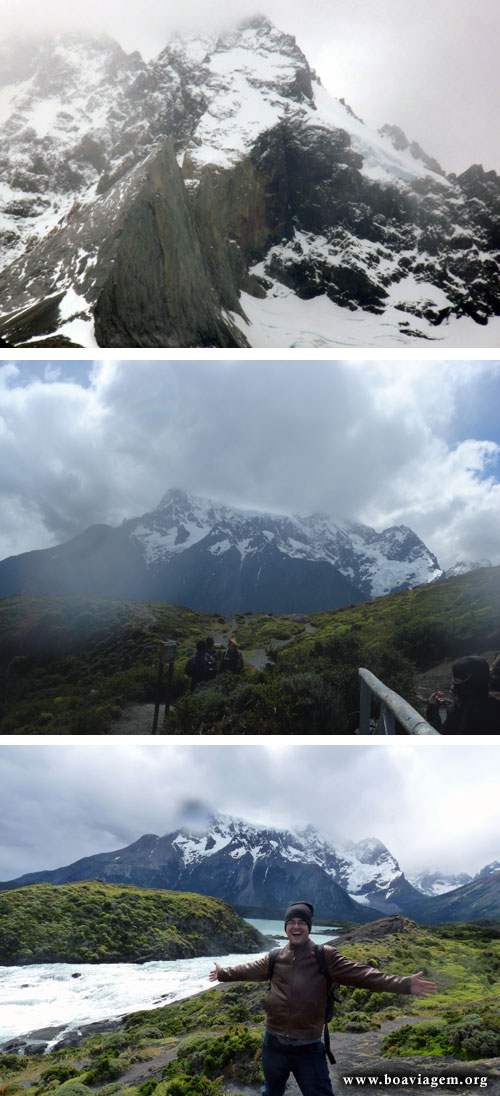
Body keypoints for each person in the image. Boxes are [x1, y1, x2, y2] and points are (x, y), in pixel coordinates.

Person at [209, 900, 437, 1096]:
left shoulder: (324, 956)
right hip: (274, 1044)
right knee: (270, 1092)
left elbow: (364, 975)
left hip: (308, 1047)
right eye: (291, 922)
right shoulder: (275, 957)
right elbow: (248, 969)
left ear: (308, 927)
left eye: (301, 922)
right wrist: (222, 973)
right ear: (286, 927)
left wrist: (404, 984)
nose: (296, 926)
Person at [426, 655, 500, 732]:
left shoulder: (463, 714)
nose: (452, 687)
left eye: (455, 682)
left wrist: (432, 709)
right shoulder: (495, 704)